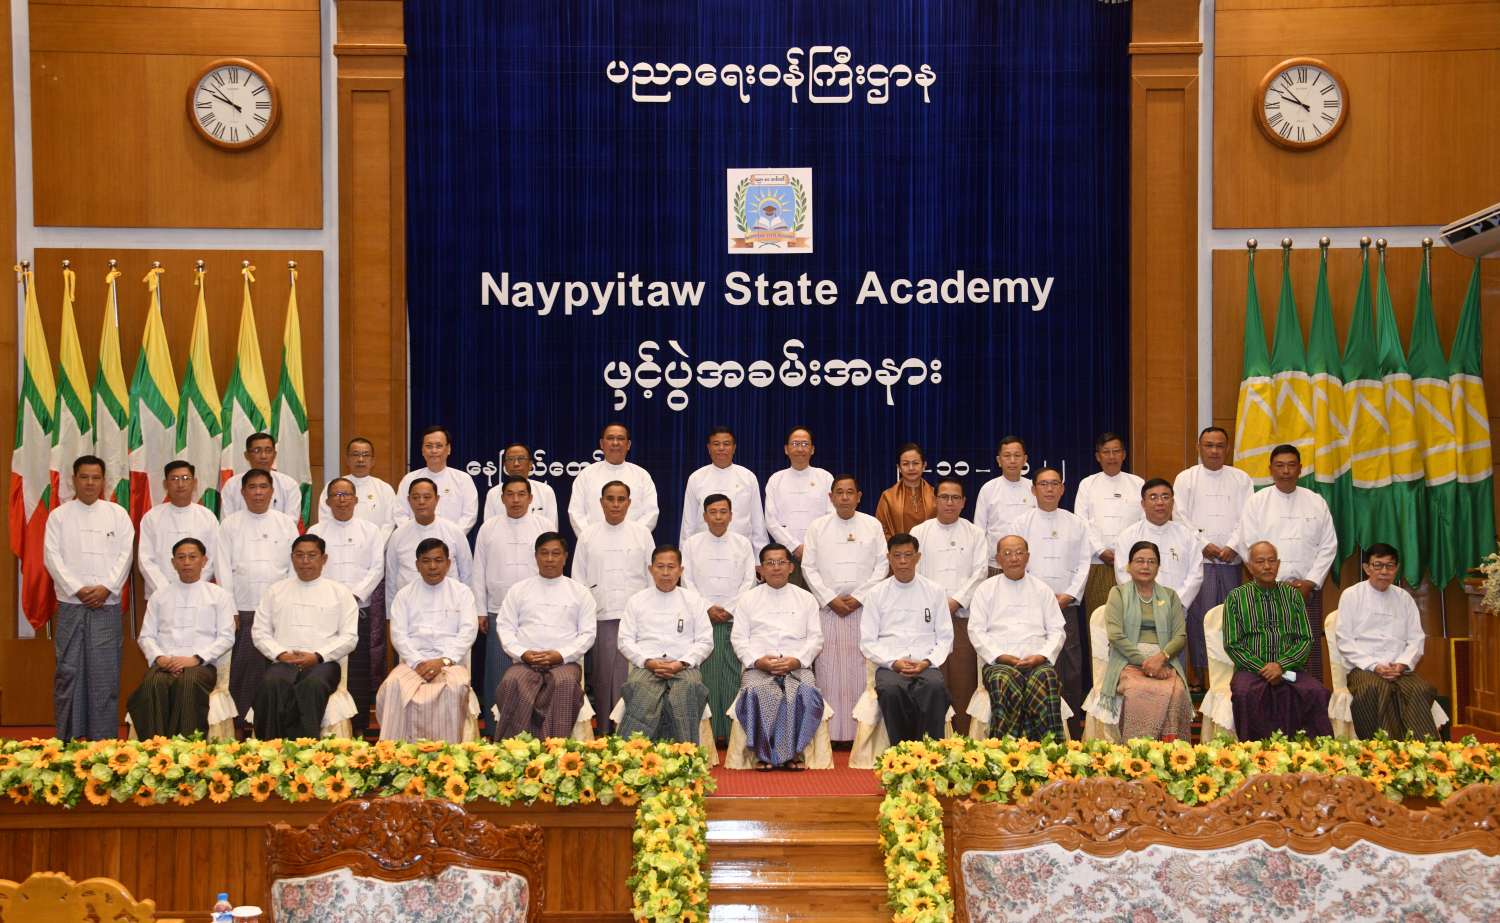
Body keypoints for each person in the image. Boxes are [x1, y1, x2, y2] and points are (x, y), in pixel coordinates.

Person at [43, 455, 135, 740]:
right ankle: (68, 739)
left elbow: (125, 554)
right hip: (71, 604)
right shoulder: (59, 516)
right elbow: (51, 556)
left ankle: (103, 740)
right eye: (84, 477)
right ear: (74, 480)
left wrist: (107, 587)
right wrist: (77, 589)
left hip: (106, 605)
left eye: (96, 477)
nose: (90, 483)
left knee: (104, 675)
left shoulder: (117, 514)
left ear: (104, 481)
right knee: (68, 672)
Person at [1230, 445, 1339, 680]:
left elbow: (1328, 545)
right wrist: (1274, 582)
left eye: (1291, 465)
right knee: (1267, 647)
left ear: (1300, 469)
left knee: (1306, 649)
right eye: (1280, 465)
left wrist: (1310, 582)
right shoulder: (1257, 502)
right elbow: (1248, 545)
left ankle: (1305, 695)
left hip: (1305, 592)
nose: (1286, 471)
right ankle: (1271, 694)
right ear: (1271, 469)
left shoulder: (1316, 502)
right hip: (1267, 591)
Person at [801, 474, 888, 741]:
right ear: (831, 497)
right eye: (839, 492)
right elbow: (808, 567)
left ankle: (860, 736)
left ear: (859, 496)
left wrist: (860, 596)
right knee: (828, 671)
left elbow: (882, 565)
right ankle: (829, 736)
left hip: (863, 608)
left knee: (861, 670)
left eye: (850, 492)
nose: (845, 497)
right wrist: (829, 598)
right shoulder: (817, 527)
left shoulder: (872, 525)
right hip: (829, 609)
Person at [1221, 541, 1333, 739]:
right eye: (1260, 561)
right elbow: (1233, 643)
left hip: (1289, 671)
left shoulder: (1293, 596)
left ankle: (1307, 752)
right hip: (1251, 671)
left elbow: (1305, 639)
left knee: (1315, 691)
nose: (1267, 566)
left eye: (1272, 561)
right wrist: (1265, 669)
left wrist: (1281, 666)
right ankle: (1254, 750)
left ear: (1279, 564)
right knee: (1245, 693)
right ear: (1249, 567)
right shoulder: (1236, 598)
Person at [250, 535, 359, 738]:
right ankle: (270, 747)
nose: (305, 561)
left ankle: (305, 748)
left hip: (323, 663)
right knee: (270, 685)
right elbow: (259, 632)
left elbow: (350, 637)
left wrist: (317, 656)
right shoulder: (275, 591)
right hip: (284, 661)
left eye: (312, 555)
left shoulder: (340, 593)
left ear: (324, 559)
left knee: (312, 686)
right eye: (299, 555)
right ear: (292, 558)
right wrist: (280, 654)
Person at [127, 538, 236, 737]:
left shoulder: (219, 595)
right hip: (165, 663)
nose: (187, 562)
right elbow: (146, 636)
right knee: (153, 683)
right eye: (181, 557)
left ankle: (187, 746)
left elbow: (227, 637)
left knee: (188, 682)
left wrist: (196, 659)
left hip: (201, 665)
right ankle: (155, 746)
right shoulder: (159, 596)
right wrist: (160, 658)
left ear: (204, 561)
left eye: (192, 557)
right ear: (173, 562)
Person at [492, 533, 597, 739]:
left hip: (564, 663)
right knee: (511, 681)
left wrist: (561, 655)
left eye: (555, 554)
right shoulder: (518, 590)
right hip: (525, 662)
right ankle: (516, 746)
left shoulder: (580, 592)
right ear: (536, 556)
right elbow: (504, 627)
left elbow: (587, 634)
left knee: (564, 683)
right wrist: (523, 653)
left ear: (565, 557)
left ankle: (555, 745)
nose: (549, 559)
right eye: (544, 553)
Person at [218, 468, 301, 725]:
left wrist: (289, 603)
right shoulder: (230, 524)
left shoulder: (285, 523)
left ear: (272, 492)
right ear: (243, 492)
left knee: (278, 667)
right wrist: (230, 608)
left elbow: (294, 566)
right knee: (245, 669)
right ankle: (241, 724)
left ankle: (275, 723)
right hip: (243, 606)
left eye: (263, 487)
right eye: (252, 487)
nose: (258, 492)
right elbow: (222, 567)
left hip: (278, 608)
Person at [375, 539, 481, 742]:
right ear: (417, 565)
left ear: (448, 564)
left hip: (450, 663)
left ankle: (451, 750)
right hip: (414, 663)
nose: (433, 566)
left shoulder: (462, 593)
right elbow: (398, 635)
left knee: (456, 686)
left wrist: (444, 661)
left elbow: (468, 632)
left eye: (438, 560)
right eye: (426, 561)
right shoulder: (404, 595)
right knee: (393, 685)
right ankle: (397, 750)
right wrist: (418, 662)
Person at [1172, 427, 1254, 688]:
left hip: (1231, 561)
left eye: (1219, 446)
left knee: (1231, 619)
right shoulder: (1186, 478)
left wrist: (1232, 545)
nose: (1214, 451)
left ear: (1227, 449)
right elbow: (1179, 516)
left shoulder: (1241, 479)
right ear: (1199, 448)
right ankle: (1199, 675)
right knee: (1200, 619)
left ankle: (1230, 674)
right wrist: (1203, 544)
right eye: (1209, 445)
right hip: (1200, 562)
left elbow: (1248, 516)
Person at [1011, 468, 1094, 723]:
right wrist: (1038, 597)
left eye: (1054, 483)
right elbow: (1015, 563)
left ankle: (1071, 730)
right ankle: (1036, 724)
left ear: (1062, 488)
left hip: (1065, 605)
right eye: (1043, 484)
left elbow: (1084, 563)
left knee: (1070, 667)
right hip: (1031, 606)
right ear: (1033, 489)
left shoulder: (1076, 523)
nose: (1049, 489)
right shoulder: (1020, 524)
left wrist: (1069, 595)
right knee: (1036, 665)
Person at [731, 543, 825, 770]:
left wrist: (797, 660)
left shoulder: (806, 599)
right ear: (761, 569)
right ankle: (765, 754)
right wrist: (758, 661)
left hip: (797, 666)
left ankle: (791, 753)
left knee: (805, 692)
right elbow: (739, 639)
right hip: (759, 667)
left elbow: (816, 639)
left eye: (781, 562)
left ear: (791, 567)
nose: (776, 568)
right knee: (758, 691)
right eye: (770, 563)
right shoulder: (747, 599)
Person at [573, 480, 655, 731]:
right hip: (602, 612)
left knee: (632, 674)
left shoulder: (642, 534)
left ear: (629, 503)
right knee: (604, 674)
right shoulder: (588, 535)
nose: (616, 504)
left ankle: (633, 728)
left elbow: (652, 574)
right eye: (610, 499)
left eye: (621, 499)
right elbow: (579, 578)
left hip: (636, 615)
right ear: (601, 503)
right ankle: (605, 728)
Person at [1334, 543, 1439, 739]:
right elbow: (1344, 640)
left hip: (1399, 669)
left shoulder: (1404, 598)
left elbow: (1416, 638)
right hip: (1364, 669)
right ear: (1367, 568)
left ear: (1396, 568)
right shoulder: (1351, 595)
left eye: (1390, 566)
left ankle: (1421, 748)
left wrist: (1402, 664)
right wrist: (1374, 666)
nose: (1384, 571)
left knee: (1420, 689)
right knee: (1374, 688)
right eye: (1378, 565)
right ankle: (1380, 746)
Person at [909, 478, 989, 734]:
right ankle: (931, 735)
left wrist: (955, 602)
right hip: (928, 619)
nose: (950, 502)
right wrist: (937, 605)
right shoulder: (919, 532)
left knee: (963, 679)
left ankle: (963, 736)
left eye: (955, 498)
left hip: (962, 615)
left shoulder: (975, 533)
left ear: (964, 502)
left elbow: (980, 572)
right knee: (932, 678)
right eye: (944, 497)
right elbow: (913, 572)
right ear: (935, 500)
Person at [968, 535, 1067, 740]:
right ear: (998, 559)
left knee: (1046, 677)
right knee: (1004, 679)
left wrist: (1041, 656)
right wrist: (1000, 656)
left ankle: (1048, 748)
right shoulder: (985, 589)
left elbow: (1057, 630)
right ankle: (1004, 749)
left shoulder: (1042, 589)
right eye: (1007, 553)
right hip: (1000, 663)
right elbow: (976, 631)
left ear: (1027, 557)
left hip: (1037, 662)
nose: (1014, 558)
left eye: (1019, 553)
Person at [308, 477, 386, 735]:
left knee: (358, 671)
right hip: (323, 610)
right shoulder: (316, 532)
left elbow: (377, 568)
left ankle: (358, 726)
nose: (341, 500)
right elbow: (309, 568)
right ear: (327, 501)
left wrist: (354, 596)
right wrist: (330, 598)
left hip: (358, 608)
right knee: (323, 665)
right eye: (336, 495)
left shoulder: (370, 531)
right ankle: (323, 724)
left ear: (356, 499)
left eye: (346, 495)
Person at [859, 534, 954, 745]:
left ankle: (930, 750)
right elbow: (867, 642)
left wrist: (927, 662)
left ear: (917, 557)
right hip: (891, 665)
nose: (903, 561)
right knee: (891, 690)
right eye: (897, 556)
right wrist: (893, 662)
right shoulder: (876, 593)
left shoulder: (935, 591)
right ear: (888, 558)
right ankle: (901, 751)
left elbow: (946, 637)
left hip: (926, 664)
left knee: (935, 688)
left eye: (908, 555)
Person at [1094, 541, 1193, 740]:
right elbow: (1115, 635)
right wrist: (1147, 663)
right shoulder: (1118, 593)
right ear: (1129, 566)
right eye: (1140, 561)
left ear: (1158, 567)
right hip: (1128, 661)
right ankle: (1137, 748)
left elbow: (1180, 636)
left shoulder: (1171, 596)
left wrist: (1161, 658)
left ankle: (1171, 750)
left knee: (1177, 693)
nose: (1145, 566)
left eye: (1151, 562)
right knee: (1137, 691)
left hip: (1164, 661)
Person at [680, 494, 758, 741]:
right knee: (707, 675)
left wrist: (730, 608)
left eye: (723, 512)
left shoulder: (742, 543)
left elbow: (749, 580)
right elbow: (687, 580)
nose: (718, 517)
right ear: (704, 516)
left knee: (733, 674)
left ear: (731, 515)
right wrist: (707, 608)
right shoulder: (691, 544)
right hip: (703, 619)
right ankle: (710, 733)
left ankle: (732, 733)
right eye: (713, 512)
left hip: (734, 618)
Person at [616, 546, 714, 742]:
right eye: (660, 567)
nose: (666, 573)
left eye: (671, 567)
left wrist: (682, 663)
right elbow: (624, 640)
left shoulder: (693, 601)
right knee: (638, 686)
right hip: (647, 666)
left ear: (681, 570)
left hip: (683, 666)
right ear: (651, 569)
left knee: (688, 688)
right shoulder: (637, 601)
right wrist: (647, 662)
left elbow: (705, 641)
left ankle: (684, 752)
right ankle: (636, 751)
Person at [471, 476, 547, 718]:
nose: (516, 500)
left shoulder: (543, 526)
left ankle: (533, 725)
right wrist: (480, 610)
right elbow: (478, 570)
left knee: (533, 671)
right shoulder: (488, 528)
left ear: (530, 498)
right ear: (502, 498)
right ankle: (496, 727)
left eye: (521, 494)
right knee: (498, 672)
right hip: (497, 609)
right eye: (510, 495)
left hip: (535, 611)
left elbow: (552, 567)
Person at [1073, 432, 1144, 623]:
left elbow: (1144, 523)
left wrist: (1128, 553)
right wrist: (1100, 550)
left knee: (1132, 619)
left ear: (1124, 454)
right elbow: (1081, 523)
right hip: (1098, 562)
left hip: (1131, 563)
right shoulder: (1087, 484)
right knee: (1099, 619)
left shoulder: (1138, 483)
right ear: (1098, 456)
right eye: (1106, 452)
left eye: (1116, 451)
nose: (1112, 457)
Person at [1112, 479, 1205, 610]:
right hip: (1139, 609)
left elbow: (1195, 574)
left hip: (1176, 610)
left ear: (1172, 502)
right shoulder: (1128, 536)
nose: (1160, 502)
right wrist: (1145, 602)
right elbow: (1123, 574)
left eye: (1165, 497)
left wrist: (1175, 603)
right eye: (1153, 497)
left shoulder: (1187, 536)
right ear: (1143, 504)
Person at [763, 426, 834, 588]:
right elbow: (771, 521)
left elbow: (831, 516)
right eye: (795, 444)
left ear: (812, 449)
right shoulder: (776, 479)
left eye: (805, 444)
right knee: (789, 599)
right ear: (786, 449)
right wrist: (795, 547)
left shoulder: (825, 477)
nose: (800, 449)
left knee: (820, 599)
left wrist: (811, 548)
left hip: (819, 554)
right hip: (787, 556)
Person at [137, 460, 219, 600]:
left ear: (194, 483)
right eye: (174, 479)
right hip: (160, 595)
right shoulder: (152, 517)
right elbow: (145, 559)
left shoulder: (207, 517)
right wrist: (165, 590)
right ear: (165, 484)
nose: (180, 484)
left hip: (198, 594)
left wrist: (195, 585)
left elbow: (213, 558)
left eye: (185, 478)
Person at [679, 426, 769, 549]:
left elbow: (757, 521)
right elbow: (688, 523)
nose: (721, 448)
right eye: (716, 444)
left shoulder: (748, 477)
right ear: (709, 448)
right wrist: (684, 554)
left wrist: (760, 555)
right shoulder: (696, 478)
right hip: (703, 549)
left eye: (726, 444)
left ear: (734, 448)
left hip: (740, 550)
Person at [386, 478, 473, 602]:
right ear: (409, 500)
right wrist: (391, 611)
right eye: (416, 497)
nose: (421, 502)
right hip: (410, 604)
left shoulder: (454, 531)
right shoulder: (398, 535)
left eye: (427, 497)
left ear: (437, 499)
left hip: (449, 603)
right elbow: (391, 579)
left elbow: (467, 574)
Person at [567, 423, 659, 532]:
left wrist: (634, 536)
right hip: (594, 540)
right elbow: (576, 512)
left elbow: (650, 513)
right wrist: (590, 537)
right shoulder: (586, 475)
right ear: (602, 443)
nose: (615, 443)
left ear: (628, 444)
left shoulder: (642, 476)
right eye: (610, 438)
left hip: (633, 540)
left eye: (620, 438)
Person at [395, 426, 479, 533]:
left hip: (452, 540)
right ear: (422, 450)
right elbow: (400, 513)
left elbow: (469, 515)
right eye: (429, 446)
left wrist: (451, 536)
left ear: (448, 449)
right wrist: (414, 534)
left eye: (439, 446)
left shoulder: (463, 479)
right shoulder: (409, 479)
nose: (434, 451)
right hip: (415, 538)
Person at [316, 437, 398, 535]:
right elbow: (325, 520)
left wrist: (376, 542)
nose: (360, 459)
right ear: (347, 460)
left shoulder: (384, 489)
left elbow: (389, 524)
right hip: (338, 541)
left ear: (373, 461)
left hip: (375, 543)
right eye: (355, 455)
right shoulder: (333, 487)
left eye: (365, 455)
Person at [219, 433, 305, 521]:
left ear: (274, 454)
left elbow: (290, 522)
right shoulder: (232, 485)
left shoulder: (289, 484)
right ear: (246, 455)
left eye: (268, 451)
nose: (263, 456)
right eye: (257, 450)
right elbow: (227, 521)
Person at [973, 436, 1035, 552]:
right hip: (995, 560)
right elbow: (979, 530)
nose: (1012, 460)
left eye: (1017, 455)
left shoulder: (1034, 488)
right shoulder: (988, 489)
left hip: (1029, 559)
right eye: (1007, 456)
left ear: (1025, 459)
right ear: (999, 460)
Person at [482, 443, 558, 529]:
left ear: (530, 464)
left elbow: (551, 529)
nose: (516, 464)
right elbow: (489, 529)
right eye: (510, 459)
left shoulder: (546, 491)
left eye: (521, 458)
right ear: (505, 465)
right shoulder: (493, 493)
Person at [874, 443, 936, 539]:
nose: (911, 468)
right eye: (905, 464)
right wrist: (897, 546)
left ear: (924, 465)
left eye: (915, 463)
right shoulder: (888, 497)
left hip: (931, 547)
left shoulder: (936, 495)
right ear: (899, 467)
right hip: (897, 548)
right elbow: (880, 530)